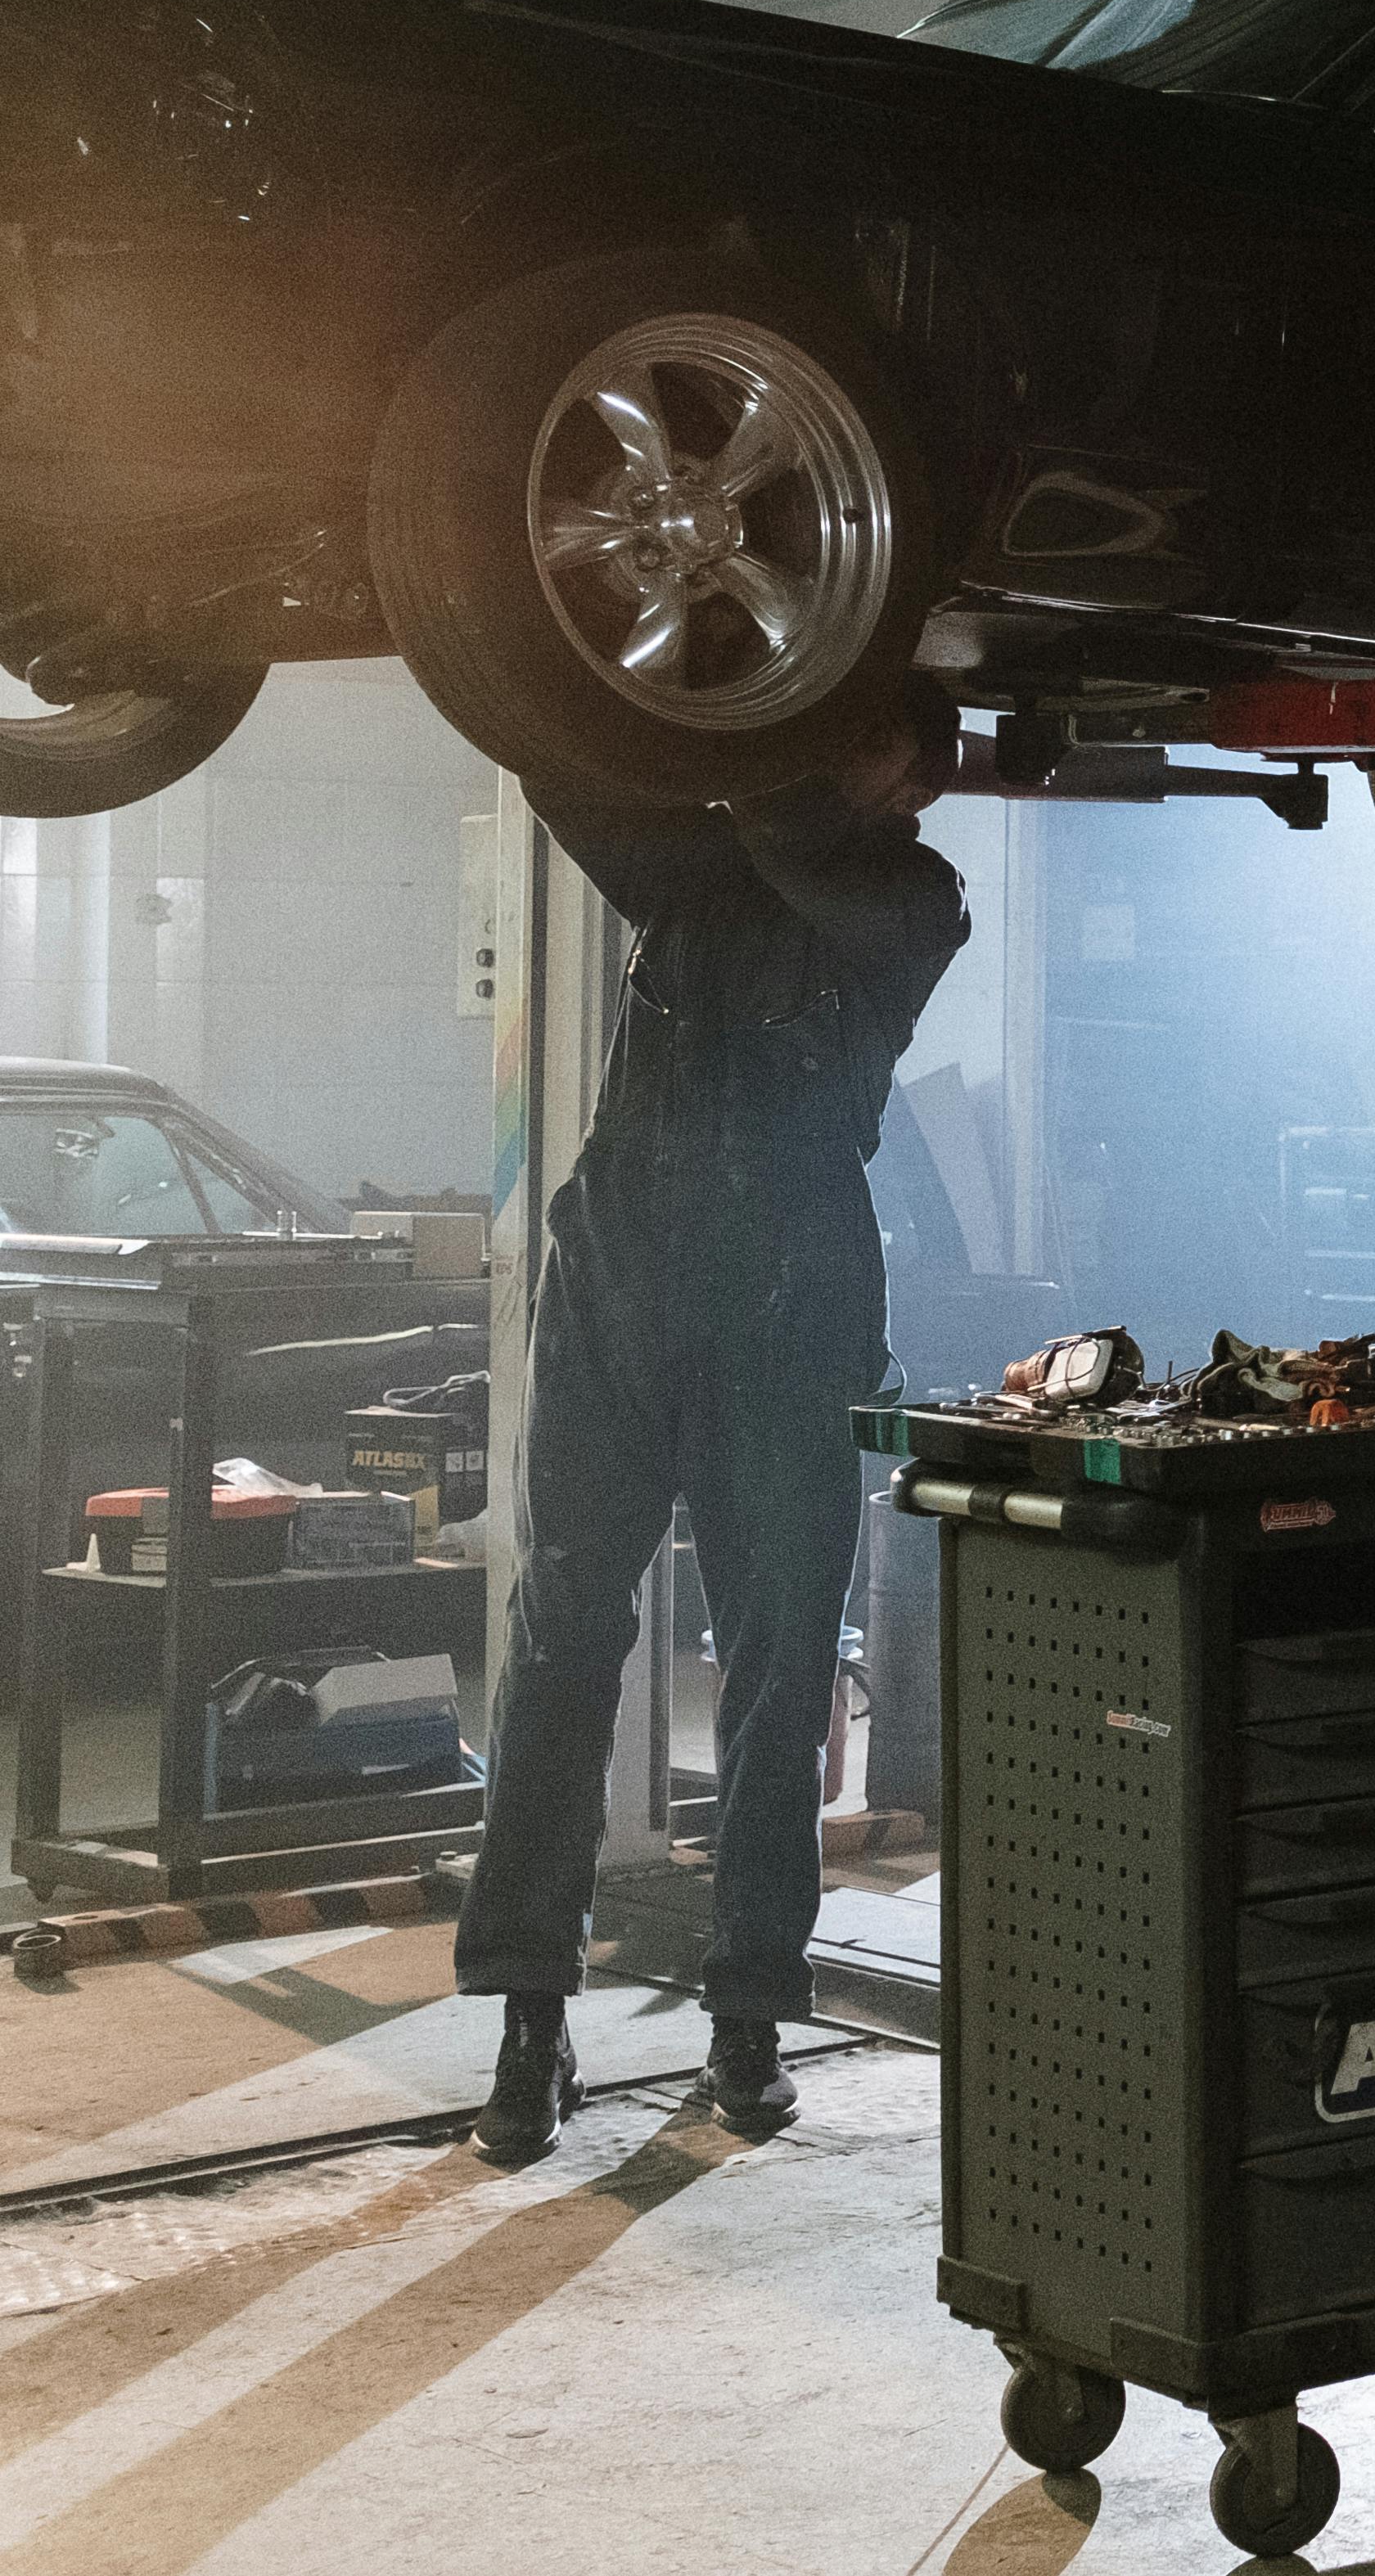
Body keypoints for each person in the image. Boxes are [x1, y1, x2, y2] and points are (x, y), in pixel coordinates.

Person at [460, 690, 969, 2162]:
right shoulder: (709, 862)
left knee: (777, 1655)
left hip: (788, 1308)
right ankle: (526, 2020)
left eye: (864, 740)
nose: (832, 757)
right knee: (562, 1630)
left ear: (914, 781)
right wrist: (489, 632)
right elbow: (554, 755)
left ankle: (746, 2018)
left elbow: (790, 835)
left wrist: (736, 731)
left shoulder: (910, 900)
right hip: (620, 1279)